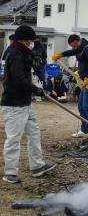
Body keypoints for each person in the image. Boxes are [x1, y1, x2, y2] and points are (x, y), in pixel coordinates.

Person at [1, 25, 56, 183]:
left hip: (25, 102)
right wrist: (36, 89)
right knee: (14, 138)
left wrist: (35, 56)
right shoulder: (14, 54)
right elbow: (18, 80)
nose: (33, 43)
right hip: (14, 104)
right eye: (31, 41)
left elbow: (31, 66)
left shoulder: (23, 52)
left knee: (34, 133)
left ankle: (37, 166)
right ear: (24, 40)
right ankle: (10, 173)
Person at [52, 34, 88, 138]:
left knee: (87, 106)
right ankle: (84, 130)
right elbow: (73, 52)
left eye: (74, 46)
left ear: (78, 41)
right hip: (84, 81)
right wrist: (61, 54)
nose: (73, 48)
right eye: (72, 46)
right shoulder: (80, 47)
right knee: (81, 107)